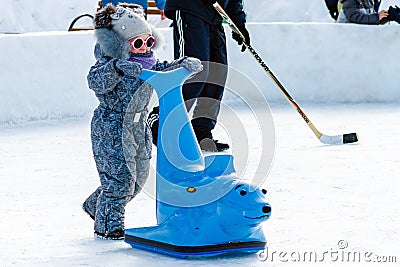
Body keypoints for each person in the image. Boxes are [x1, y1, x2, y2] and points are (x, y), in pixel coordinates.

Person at [82, 3, 202, 240]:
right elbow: (94, 81)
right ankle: (109, 227)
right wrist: (116, 68)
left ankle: (96, 204)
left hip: (139, 127)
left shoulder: (149, 62)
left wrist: (182, 64)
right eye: (137, 43)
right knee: (119, 181)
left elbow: (163, 70)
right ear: (121, 43)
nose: (144, 48)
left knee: (138, 179)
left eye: (148, 41)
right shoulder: (109, 64)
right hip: (112, 127)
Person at [147, 0, 250, 152]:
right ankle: (160, 119)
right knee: (193, 71)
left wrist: (238, 23)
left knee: (217, 72)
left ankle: (201, 131)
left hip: (214, 15)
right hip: (190, 8)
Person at [101, 0, 166, 20]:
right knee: (138, 40)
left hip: (111, 6)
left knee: (109, 40)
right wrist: (161, 6)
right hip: (137, 7)